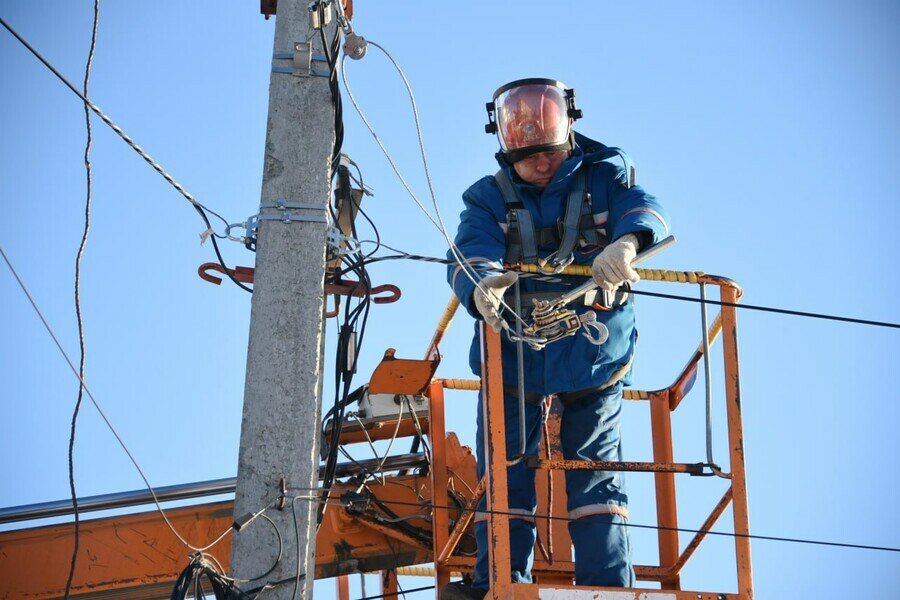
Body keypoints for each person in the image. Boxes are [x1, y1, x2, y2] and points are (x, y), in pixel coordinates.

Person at [442, 78, 671, 599]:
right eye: (530, 158)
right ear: (507, 150)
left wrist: (629, 244)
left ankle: (607, 589)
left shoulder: (604, 174)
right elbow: (468, 250)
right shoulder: (487, 198)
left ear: (568, 133)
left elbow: (645, 207)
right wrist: (481, 285)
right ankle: (500, 583)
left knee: (593, 476)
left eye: (549, 153)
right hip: (514, 357)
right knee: (505, 475)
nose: (542, 166)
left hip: (592, 352)